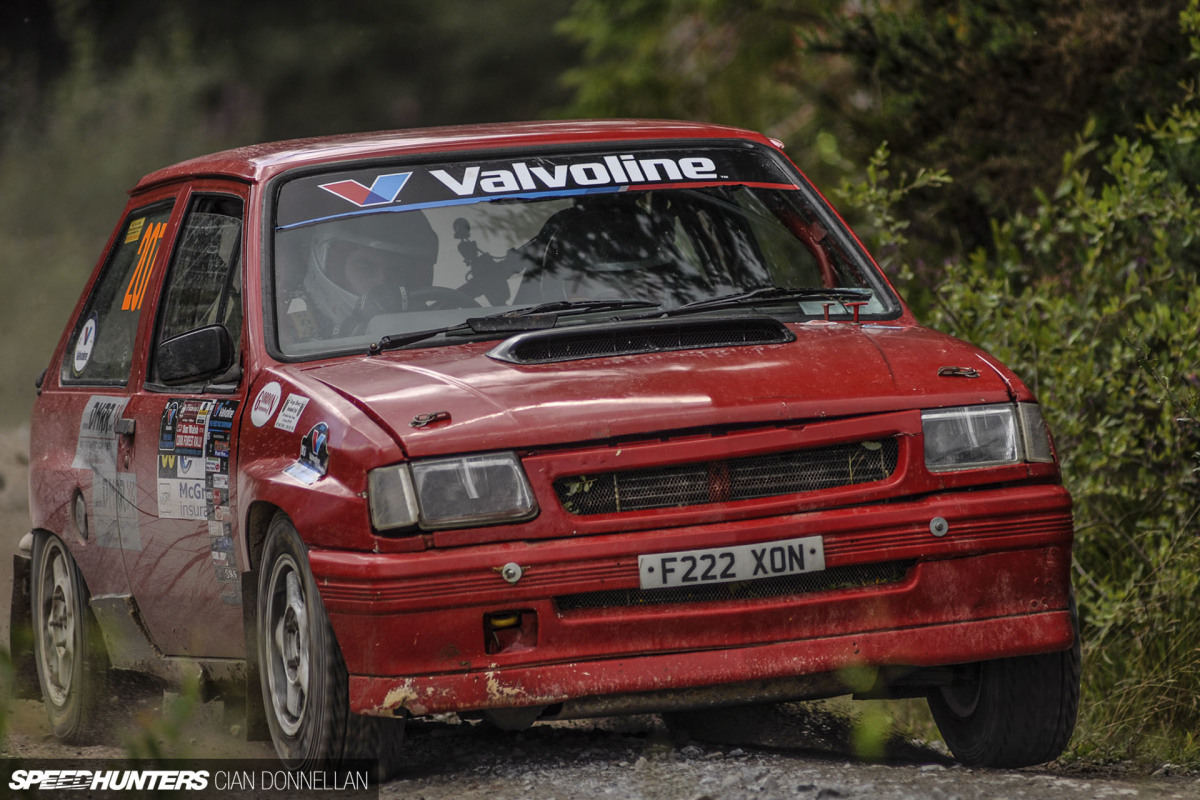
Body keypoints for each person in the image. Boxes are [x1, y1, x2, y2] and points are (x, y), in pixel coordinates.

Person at [281, 211, 438, 341]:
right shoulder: (289, 339)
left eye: (395, 272)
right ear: (334, 268)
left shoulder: (435, 328)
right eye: (365, 269)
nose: (381, 282)